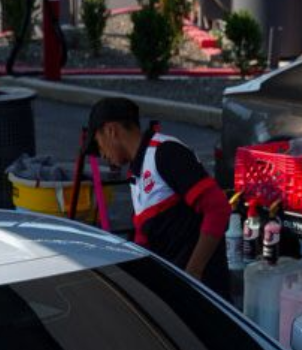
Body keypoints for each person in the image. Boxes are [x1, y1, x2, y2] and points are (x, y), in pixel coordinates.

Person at [85, 97, 232, 296]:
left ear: (111, 131)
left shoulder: (165, 152)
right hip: (175, 288)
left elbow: (217, 208)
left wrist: (194, 272)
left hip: (203, 292)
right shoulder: (137, 173)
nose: (101, 154)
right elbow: (144, 240)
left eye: (98, 144)